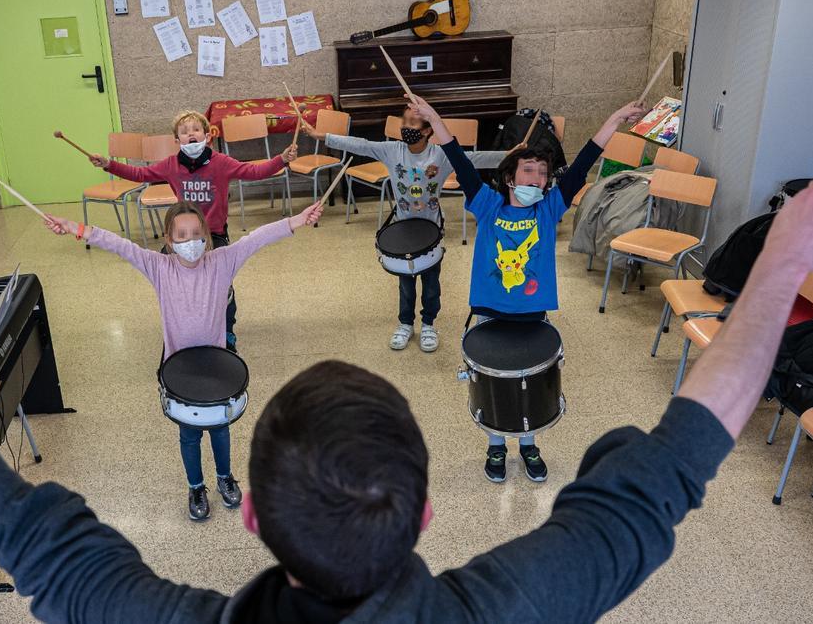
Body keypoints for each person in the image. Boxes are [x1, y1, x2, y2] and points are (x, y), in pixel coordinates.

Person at [0, 178, 813, 622]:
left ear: (250, 519)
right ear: (429, 513)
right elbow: (675, 458)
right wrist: (782, 266)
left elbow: (11, 516)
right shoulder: (521, 602)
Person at [407, 94, 647, 484]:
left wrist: (616, 117)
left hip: (533, 316)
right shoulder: (487, 204)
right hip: (488, 314)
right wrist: (433, 117)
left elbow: (586, 160)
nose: (536, 178)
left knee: (530, 384)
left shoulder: (548, 209)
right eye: (528, 170)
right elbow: (459, 159)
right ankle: (496, 446)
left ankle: (530, 444)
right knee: (491, 387)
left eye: (542, 173)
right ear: (509, 177)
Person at [41, 200, 322, 520]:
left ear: (206, 234)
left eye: (196, 233)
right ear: (169, 239)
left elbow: (257, 238)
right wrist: (76, 228)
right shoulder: (159, 267)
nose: (191, 242)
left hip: (217, 367)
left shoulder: (222, 261)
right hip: (179, 371)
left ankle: (224, 477)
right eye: (182, 235)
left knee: (220, 428)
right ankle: (196, 485)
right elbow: (119, 245)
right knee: (188, 434)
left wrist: (297, 220)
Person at [91, 111, 301, 352]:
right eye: (184, 131)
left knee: (223, 287)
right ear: (177, 140)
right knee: (172, 281)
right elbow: (140, 175)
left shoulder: (221, 162)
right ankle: (180, 327)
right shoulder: (171, 165)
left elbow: (254, 172)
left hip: (214, 236)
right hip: (182, 237)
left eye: (196, 129)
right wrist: (109, 164)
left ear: (207, 135)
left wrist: (282, 159)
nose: (190, 133)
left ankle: (227, 331)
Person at [299, 111, 506, 353]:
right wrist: (320, 136)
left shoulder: (441, 155)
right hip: (403, 226)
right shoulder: (392, 151)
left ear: (428, 130)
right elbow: (360, 145)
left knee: (431, 283)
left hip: (431, 230)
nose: (405, 126)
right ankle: (405, 323)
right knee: (405, 282)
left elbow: (475, 158)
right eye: (404, 121)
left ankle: (429, 323)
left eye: (412, 122)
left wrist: (511, 156)